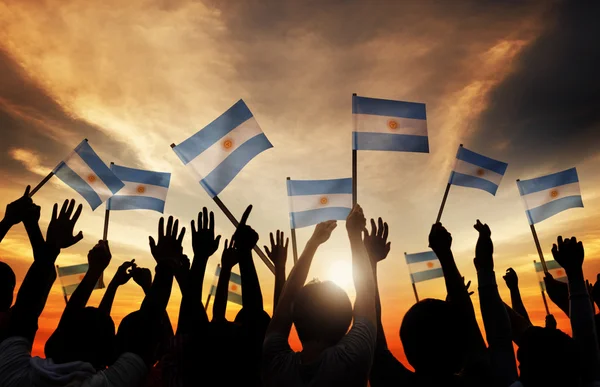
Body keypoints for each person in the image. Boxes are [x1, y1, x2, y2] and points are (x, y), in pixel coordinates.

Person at [263, 204, 377, 387]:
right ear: (347, 320)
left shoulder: (276, 363)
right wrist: (355, 236)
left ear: (295, 317)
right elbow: (366, 292)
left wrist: (313, 243)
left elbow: (286, 300)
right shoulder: (353, 359)